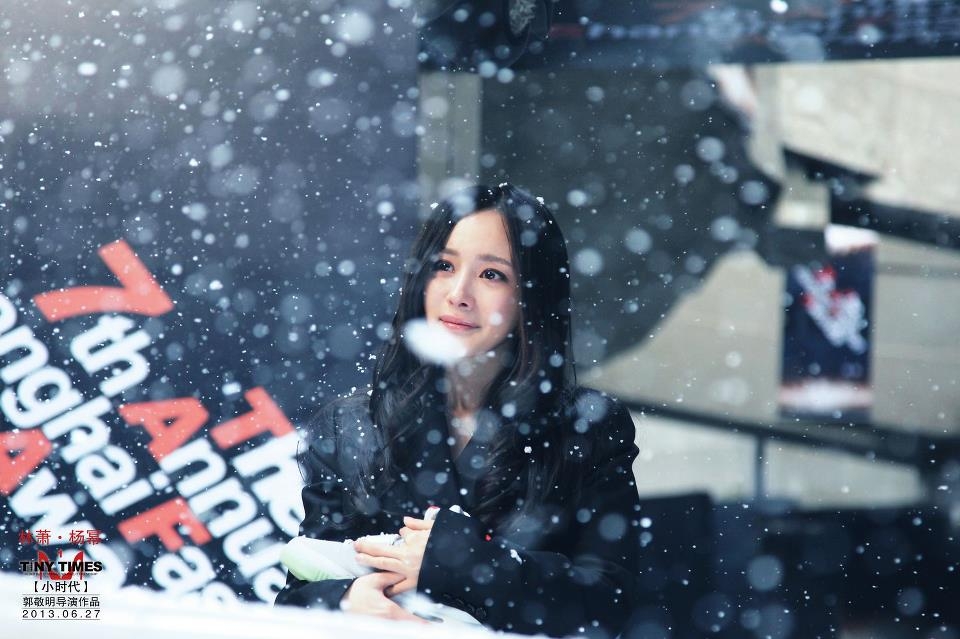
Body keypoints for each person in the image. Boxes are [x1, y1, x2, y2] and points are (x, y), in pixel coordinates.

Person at [274, 183, 641, 637]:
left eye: (492, 274)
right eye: (444, 266)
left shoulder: (586, 426)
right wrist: (349, 602)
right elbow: (296, 594)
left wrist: (459, 561)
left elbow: (605, 604)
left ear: (532, 297)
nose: (459, 294)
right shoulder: (350, 424)